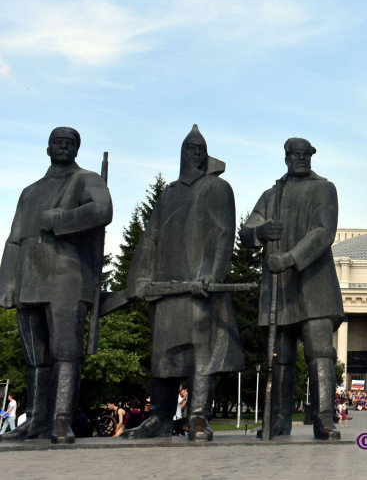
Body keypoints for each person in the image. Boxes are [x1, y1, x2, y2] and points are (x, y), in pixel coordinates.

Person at [124, 126, 243, 442]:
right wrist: (139, 278)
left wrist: (212, 276)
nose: (196, 154)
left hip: (199, 288)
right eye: (191, 149)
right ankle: (160, 417)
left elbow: (222, 235)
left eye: (200, 149)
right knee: (163, 355)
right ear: (182, 153)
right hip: (165, 289)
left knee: (202, 354)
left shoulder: (217, 188)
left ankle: (198, 416)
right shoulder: (169, 194)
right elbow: (151, 238)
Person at [0, 127, 113, 444]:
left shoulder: (86, 179)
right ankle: (36, 420)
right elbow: (13, 240)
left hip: (66, 277)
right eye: (58, 142)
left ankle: (61, 420)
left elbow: (103, 210)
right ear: (47, 148)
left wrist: (60, 220)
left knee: (66, 353)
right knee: (35, 357)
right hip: (29, 278)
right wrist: (7, 283)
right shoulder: (30, 191)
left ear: (77, 149)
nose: (63, 146)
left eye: (70, 143)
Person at [241, 137, 344, 440]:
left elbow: (323, 232)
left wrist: (291, 257)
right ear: (286, 157)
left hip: (314, 284)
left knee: (320, 351)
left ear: (311, 156)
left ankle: (324, 418)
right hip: (279, 288)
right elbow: (247, 231)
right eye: (294, 154)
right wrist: (259, 231)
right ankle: (278, 420)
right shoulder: (270, 196)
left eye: (305, 154)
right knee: (279, 357)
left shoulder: (323, 188)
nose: (300, 158)